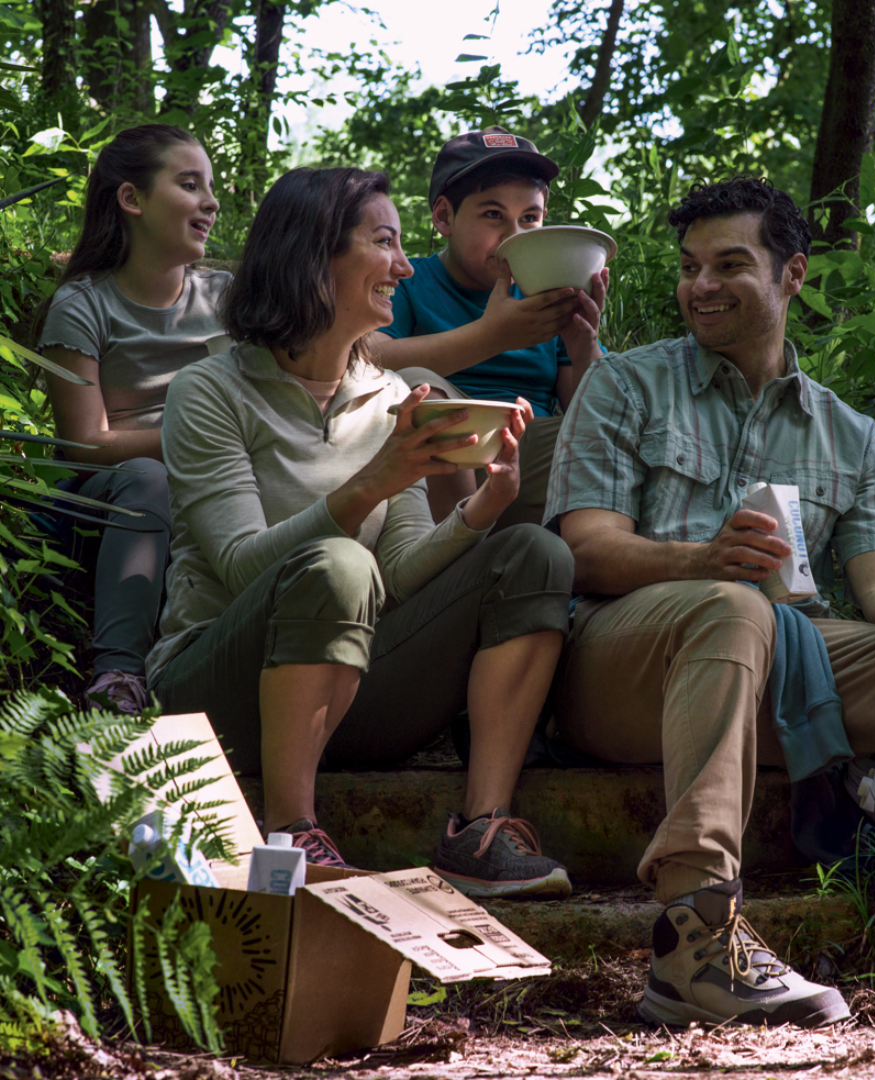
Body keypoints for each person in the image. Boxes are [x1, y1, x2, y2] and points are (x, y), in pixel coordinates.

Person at [544, 176, 875, 1027]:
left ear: (791, 275)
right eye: (688, 267)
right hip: (620, 666)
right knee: (733, 605)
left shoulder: (851, 435)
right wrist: (702, 558)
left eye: (729, 264)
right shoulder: (627, 387)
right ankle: (695, 936)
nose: (701, 285)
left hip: (778, 671)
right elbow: (583, 549)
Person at [144, 166, 574, 898]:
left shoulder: (392, 396)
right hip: (217, 693)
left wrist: (480, 511)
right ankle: (291, 832)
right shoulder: (209, 391)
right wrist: (376, 479)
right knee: (339, 562)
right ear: (314, 255)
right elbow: (245, 569)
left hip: (355, 693)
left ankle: (481, 828)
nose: (405, 267)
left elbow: (400, 570)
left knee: (532, 552)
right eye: (384, 242)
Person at [36, 123, 230, 715]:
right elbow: (85, 444)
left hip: (209, 478)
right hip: (111, 496)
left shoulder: (225, 296)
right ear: (132, 199)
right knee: (151, 477)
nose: (211, 202)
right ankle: (116, 675)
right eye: (190, 184)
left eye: (211, 187)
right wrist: (195, 442)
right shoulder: (84, 303)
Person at [370, 127, 607, 529]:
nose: (513, 236)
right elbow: (368, 355)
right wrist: (490, 336)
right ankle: (454, 558)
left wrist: (584, 343)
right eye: (493, 215)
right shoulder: (409, 279)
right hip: (439, 472)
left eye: (529, 218)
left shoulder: (548, 294)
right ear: (444, 216)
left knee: (613, 426)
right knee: (419, 384)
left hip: (528, 464)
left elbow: (593, 413)